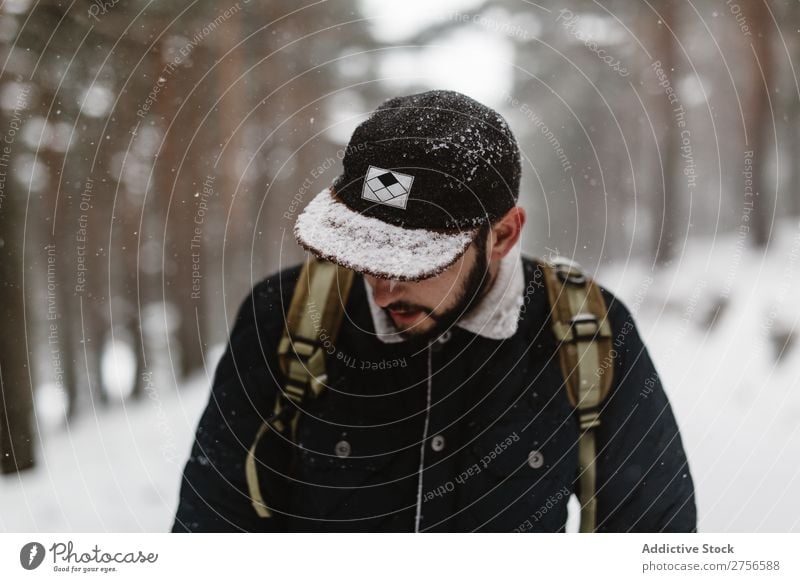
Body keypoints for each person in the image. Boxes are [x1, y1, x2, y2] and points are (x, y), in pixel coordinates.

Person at [172, 89, 696, 532]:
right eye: (366, 251)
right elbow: (210, 532)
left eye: (413, 262)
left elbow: (652, 542)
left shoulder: (585, 333)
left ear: (503, 234)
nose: (380, 290)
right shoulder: (283, 316)